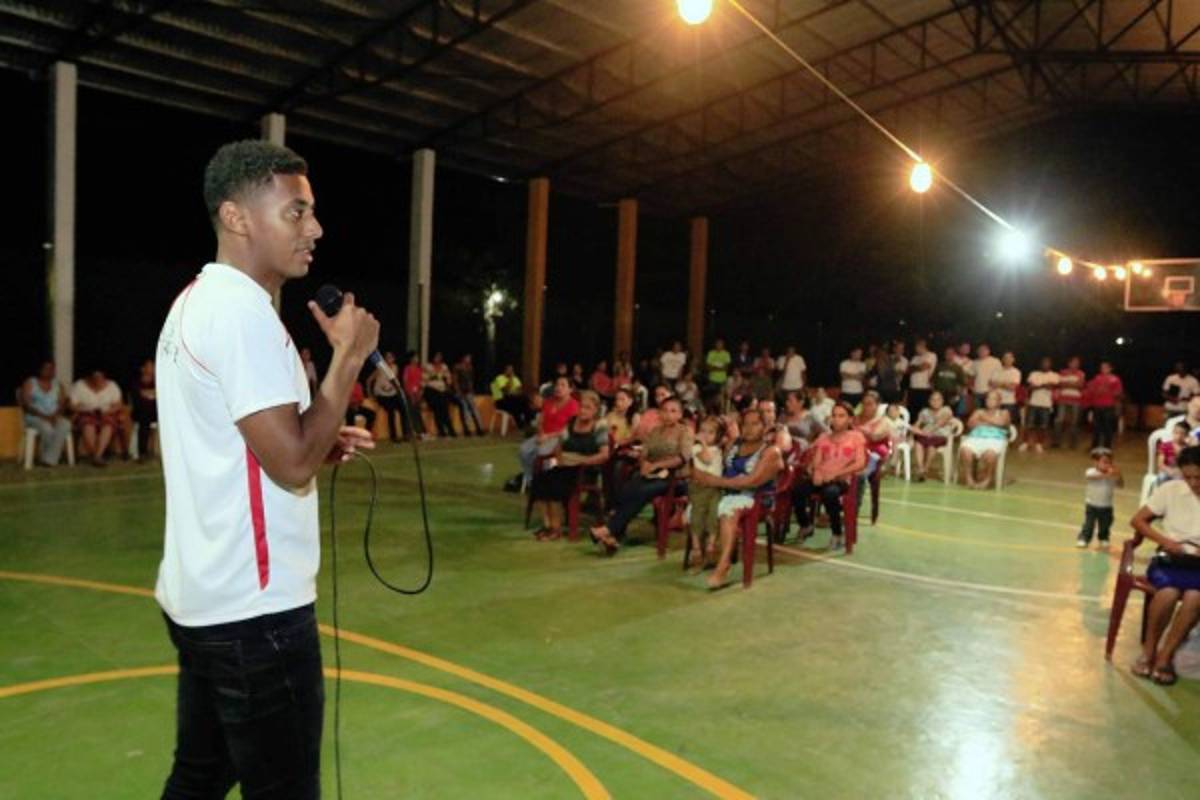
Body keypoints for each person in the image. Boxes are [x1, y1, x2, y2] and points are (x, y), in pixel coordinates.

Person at [155, 139, 378, 798]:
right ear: (238, 217)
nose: (315, 229)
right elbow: (290, 463)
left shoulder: (197, 301)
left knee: (199, 776)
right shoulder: (240, 314)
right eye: (296, 212)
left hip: (206, 600)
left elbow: (245, 443)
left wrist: (320, 437)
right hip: (256, 617)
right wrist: (347, 360)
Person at [1129, 446, 1200, 686]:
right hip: (1170, 558)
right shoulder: (1170, 490)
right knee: (1168, 593)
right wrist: (1165, 541)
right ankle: (1149, 651)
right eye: (1187, 476)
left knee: (1194, 597)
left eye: (1198, 477)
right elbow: (1138, 520)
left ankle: (1165, 656)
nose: (1193, 482)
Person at [692, 408, 783, 588]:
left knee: (728, 509)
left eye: (755, 424)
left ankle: (723, 564)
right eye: (745, 424)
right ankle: (703, 552)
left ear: (766, 427)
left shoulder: (772, 451)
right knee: (699, 504)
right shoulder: (733, 444)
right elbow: (713, 466)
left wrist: (713, 481)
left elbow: (751, 481)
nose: (748, 428)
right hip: (727, 491)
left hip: (756, 499)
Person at [590, 395, 692, 554]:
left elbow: (683, 458)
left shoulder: (684, 431)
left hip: (676, 478)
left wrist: (656, 465)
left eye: (673, 411)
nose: (668, 414)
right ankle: (613, 535)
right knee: (629, 487)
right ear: (659, 413)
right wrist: (644, 464)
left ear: (680, 414)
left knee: (641, 490)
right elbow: (644, 452)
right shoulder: (655, 431)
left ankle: (609, 530)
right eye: (665, 410)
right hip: (653, 474)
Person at [528, 391, 610, 541]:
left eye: (588, 408)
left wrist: (583, 462)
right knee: (539, 481)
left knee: (555, 484)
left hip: (585, 468)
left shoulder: (600, 426)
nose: (583, 411)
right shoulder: (572, 422)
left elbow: (604, 454)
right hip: (565, 464)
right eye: (581, 407)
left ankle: (556, 529)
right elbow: (560, 444)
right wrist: (559, 460)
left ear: (595, 410)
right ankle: (548, 525)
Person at [790, 402, 867, 551]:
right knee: (797, 491)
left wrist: (836, 474)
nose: (836, 419)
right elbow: (816, 461)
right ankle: (806, 525)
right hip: (822, 478)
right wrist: (816, 472)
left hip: (841, 480)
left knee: (829, 494)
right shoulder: (824, 437)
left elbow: (860, 462)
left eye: (841, 416)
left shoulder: (856, 437)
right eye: (834, 415)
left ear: (850, 419)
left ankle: (837, 533)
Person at [511, 376, 579, 491]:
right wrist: (541, 433)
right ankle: (530, 479)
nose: (558, 388)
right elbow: (540, 421)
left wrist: (548, 436)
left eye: (563, 385)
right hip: (543, 435)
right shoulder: (549, 402)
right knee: (524, 450)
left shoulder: (574, 405)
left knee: (541, 451)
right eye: (557, 385)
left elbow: (568, 429)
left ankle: (544, 480)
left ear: (570, 389)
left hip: (559, 437)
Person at [686, 416, 726, 571]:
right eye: (702, 431)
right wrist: (702, 442)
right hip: (700, 488)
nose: (706, 435)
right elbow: (707, 459)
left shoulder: (718, 449)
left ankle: (711, 545)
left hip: (715, 487)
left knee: (713, 513)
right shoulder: (696, 448)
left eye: (711, 432)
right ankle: (696, 548)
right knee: (697, 514)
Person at [19, 360, 72, 467]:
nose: (50, 371)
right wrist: (43, 416)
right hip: (34, 416)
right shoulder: (30, 382)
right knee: (46, 427)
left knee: (65, 424)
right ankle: (48, 459)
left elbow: (62, 404)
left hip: (53, 416)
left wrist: (55, 416)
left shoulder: (58, 384)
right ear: (40, 370)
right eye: (47, 369)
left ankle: (48, 459)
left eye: (52, 369)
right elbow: (26, 405)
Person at [957, 390, 1012, 489]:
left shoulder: (1004, 412)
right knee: (965, 450)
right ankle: (969, 479)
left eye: (993, 398)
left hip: (995, 439)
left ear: (999, 402)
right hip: (975, 437)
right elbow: (970, 424)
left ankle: (987, 479)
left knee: (990, 454)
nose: (989, 400)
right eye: (988, 398)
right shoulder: (979, 411)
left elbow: (1001, 423)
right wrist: (991, 422)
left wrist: (982, 419)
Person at [70, 369, 124, 466]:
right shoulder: (79, 385)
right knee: (88, 424)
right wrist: (84, 409)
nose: (98, 380)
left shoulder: (112, 386)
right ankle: (97, 456)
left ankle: (97, 456)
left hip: (106, 413)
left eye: (100, 378)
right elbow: (72, 405)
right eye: (95, 378)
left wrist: (108, 411)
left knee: (108, 424)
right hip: (86, 413)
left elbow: (118, 404)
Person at [1076, 447, 1123, 549]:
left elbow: (1121, 485)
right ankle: (1083, 538)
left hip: (1106, 505)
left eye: (1109, 462)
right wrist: (1107, 474)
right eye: (1104, 462)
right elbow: (1092, 477)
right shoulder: (1091, 472)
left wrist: (1119, 475)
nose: (1107, 465)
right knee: (1089, 524)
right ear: (1096, 462)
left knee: (1106, 524)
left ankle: (1103, 538)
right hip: (1092, 505)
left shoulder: (1112, 474)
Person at [911, 390, 955, 482]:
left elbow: (940, 423)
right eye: (933, 400)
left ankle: (925, 469)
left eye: (938, 400)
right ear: (929, 401)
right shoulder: (925, 411)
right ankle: (921, 468)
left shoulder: (946, 410)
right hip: (925, 435)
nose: (935, 402)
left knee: (931, 446)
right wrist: (914, 429)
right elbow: (917, 424)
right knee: (918, 443)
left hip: (940, 435)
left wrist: (927, 432)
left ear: (942, 401)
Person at [1021, 357, 1058, 453]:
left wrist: (1038, 386)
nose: (1045, 364)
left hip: (1046, 404)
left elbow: (1052, 387)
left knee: (1043, 426)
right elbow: (1030, 387)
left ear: (1050, 364)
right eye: (1043, 363)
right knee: (1029, 425)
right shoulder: (1034, 374)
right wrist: (1044, 385)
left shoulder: (1054, 375)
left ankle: (1039, 444)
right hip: (1033, 403)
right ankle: (1025, 443)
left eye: (1047, 363)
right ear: (1040, 364)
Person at [1085, 360, 1123, 450]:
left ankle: (1107, 447)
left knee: (1108, 428)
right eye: (1102, 367)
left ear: (1110, 368)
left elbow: (1119, 393)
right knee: (1096, 427)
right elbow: (1091, 390)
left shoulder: (1115, 379)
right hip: (1097, 406)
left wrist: (1108, 391)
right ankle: (1095, 446)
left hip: (1109, 406)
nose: (1103, 369)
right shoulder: (1097, 378)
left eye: (1105, 367)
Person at [368, 351, 405, 442]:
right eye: (388, 358)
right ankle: (394, 436)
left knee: (403, 408)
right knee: (391, 411)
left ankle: (406, 434)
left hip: (392, 394)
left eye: (391, 357)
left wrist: (399, 391)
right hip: (381, 395)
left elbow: (395, 382)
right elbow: (369, 380)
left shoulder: (395, 368)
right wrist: (370, 393)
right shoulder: (380, 368)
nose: (390, 360)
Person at [1053, 355, 1086, 449]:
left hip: (1076, 400)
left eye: (1078, 363)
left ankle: (1073, 444)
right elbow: (1060, 384)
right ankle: (1056, 442)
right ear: (1069, 363)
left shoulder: (1081, 373)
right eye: (1074, 362)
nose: (1076, 364)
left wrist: (1067, 384)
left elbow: (1080, 386)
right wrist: (1073, 384)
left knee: (1074, 422)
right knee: (1059, 421)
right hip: (1063, 399)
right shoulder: (1063, 372)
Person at [423, 351, 456, 437]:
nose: (438, 358)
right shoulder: (428, 367)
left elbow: (448, 378)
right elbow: (425, 379)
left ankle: (450, 430)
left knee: (444, 409)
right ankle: (442, 430)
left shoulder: (444, 367)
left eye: (439, 357)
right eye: (436, 356)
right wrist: (435, 376)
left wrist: (447, 382)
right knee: (438, 408)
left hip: (442, 391)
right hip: (431, 390)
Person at [131, 358, 158, 460]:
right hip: (141, 413)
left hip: (156, 412)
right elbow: (137, 398)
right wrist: (152, 394)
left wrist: (148, 394)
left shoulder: (159, 380)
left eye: (153, 366)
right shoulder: (137, 382)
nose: (152, 368)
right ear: (142, 369)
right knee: (144, 418)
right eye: (149, 366)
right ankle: (143, 452)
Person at [453, 354, 485, 436]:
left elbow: (471, 380)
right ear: (463, 358)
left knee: (474, 409)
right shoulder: (458, 367)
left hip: (468, 392)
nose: (469, 360)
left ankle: (479, 428)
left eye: (470, 358)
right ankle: (468, 429)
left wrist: (471, 390)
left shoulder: (470, 368)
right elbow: (455, 380)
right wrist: (458, 391)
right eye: (467, 358)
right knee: (465, 410)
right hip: (461, 392)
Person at [491, 364, 531, 429]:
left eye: (512, 370)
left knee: (523, 403)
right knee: (520, 402)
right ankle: (525, 422)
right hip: (501, 401)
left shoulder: (515, 378)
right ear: (505, 371)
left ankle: (526, 422)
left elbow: (520, 390)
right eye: (509, 370)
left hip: (513, 400)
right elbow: (505, 391)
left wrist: (514, 392)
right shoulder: (500, 378)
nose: (511, 371)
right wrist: (509, 380)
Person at [906, 338, 936, 418]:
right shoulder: (914, 358)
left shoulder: (931, 355)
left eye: (917, 346)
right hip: (913, 387)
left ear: (923, 346)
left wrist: (915, 368)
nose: (915, 348)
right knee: (912, 411)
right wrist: (917, 368)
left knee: (924, 412)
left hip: (924, 388)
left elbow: (924, 367)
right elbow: (908, 370)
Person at [989, 350, 1021, 424]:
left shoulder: (1016, 372)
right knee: (994, 422)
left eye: (1010, 358)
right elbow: (991, 384)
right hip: (995, 402)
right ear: (1002, 359)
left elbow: (1012, 388)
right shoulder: (996, 370)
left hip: (1009, 402)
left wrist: (998, 384)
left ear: (1013, 359)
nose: (1007, 359)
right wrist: (1006, 384)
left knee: (1006, 424)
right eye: (1005, 358)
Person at [932, 346, 966, 415]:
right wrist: (934, 393)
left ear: (954, 355)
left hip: (952, 394)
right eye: (947, 353)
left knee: (951, 413)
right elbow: (933, 380)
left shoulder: (958, 368)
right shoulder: (939, 366)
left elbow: (962, 384)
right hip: (940, 394)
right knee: (938, 413)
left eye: (951, 353)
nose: (949, 355)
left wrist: (957, 397)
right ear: (945, 355)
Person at [402, 351, 428, 438]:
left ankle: (420, 432)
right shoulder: (407, 368)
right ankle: (409, 433)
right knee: (410, 413)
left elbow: (421, 382)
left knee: (417, 412)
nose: (417, 359)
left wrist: (420, 393)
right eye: (415, 357)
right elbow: (405, 382)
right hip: (409, 394)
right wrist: (410, 394)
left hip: (417, 394)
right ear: (411, 359)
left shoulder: (419, 369)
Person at [967, 343, 1002, 410]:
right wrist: (971, 388)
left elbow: (1000, 375)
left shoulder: (995, 361)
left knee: (990, 410)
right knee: (978, 411)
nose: (981, 352)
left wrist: (995, 387)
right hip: (977, 392)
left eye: (983, 350)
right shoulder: (974, 363)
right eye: (979, 350)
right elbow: (971, 377)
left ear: (988, 351)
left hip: (990, 392)